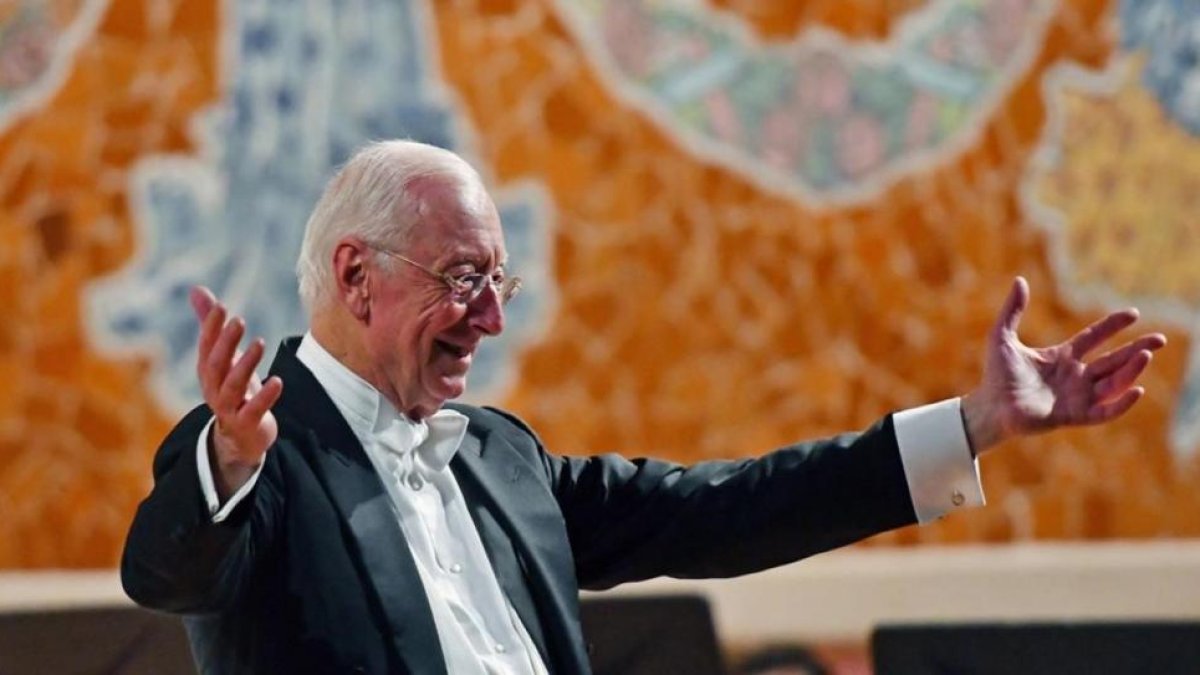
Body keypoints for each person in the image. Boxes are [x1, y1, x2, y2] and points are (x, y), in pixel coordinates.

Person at [121, 140, 1166, 675]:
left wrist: (977, 422)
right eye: (463, 281)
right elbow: (167, 570)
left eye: (500, 286)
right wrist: (233, 456)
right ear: (356, 279)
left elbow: (720, 509)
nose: (489, 322)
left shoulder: (498, 457)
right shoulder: (250, 455)